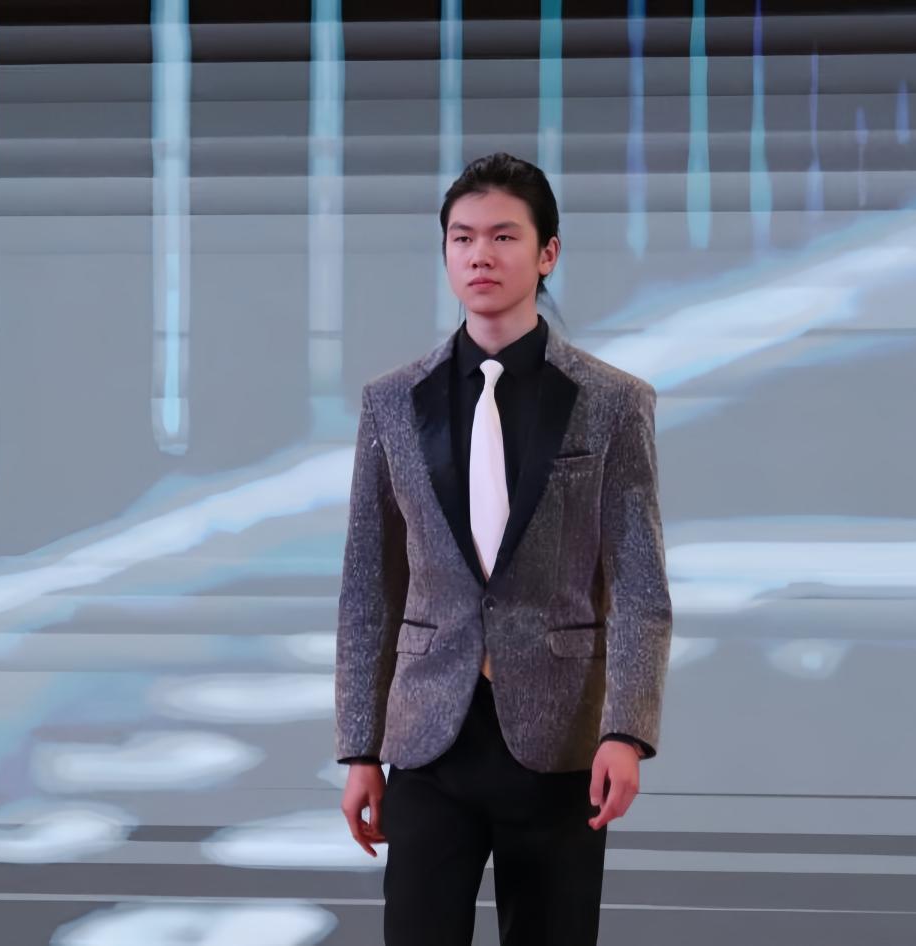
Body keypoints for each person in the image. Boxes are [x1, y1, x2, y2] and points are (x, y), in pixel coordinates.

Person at [334, 152, 672, 946]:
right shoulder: (391, 402)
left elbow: (639, 587)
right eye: (461, 238)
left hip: (561, 738)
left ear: (546, 252)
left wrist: (625, 731)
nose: (479, 254)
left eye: (502, 236)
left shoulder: (613, 403)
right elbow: (368, 588)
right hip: (429, 737)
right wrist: (358, 749)